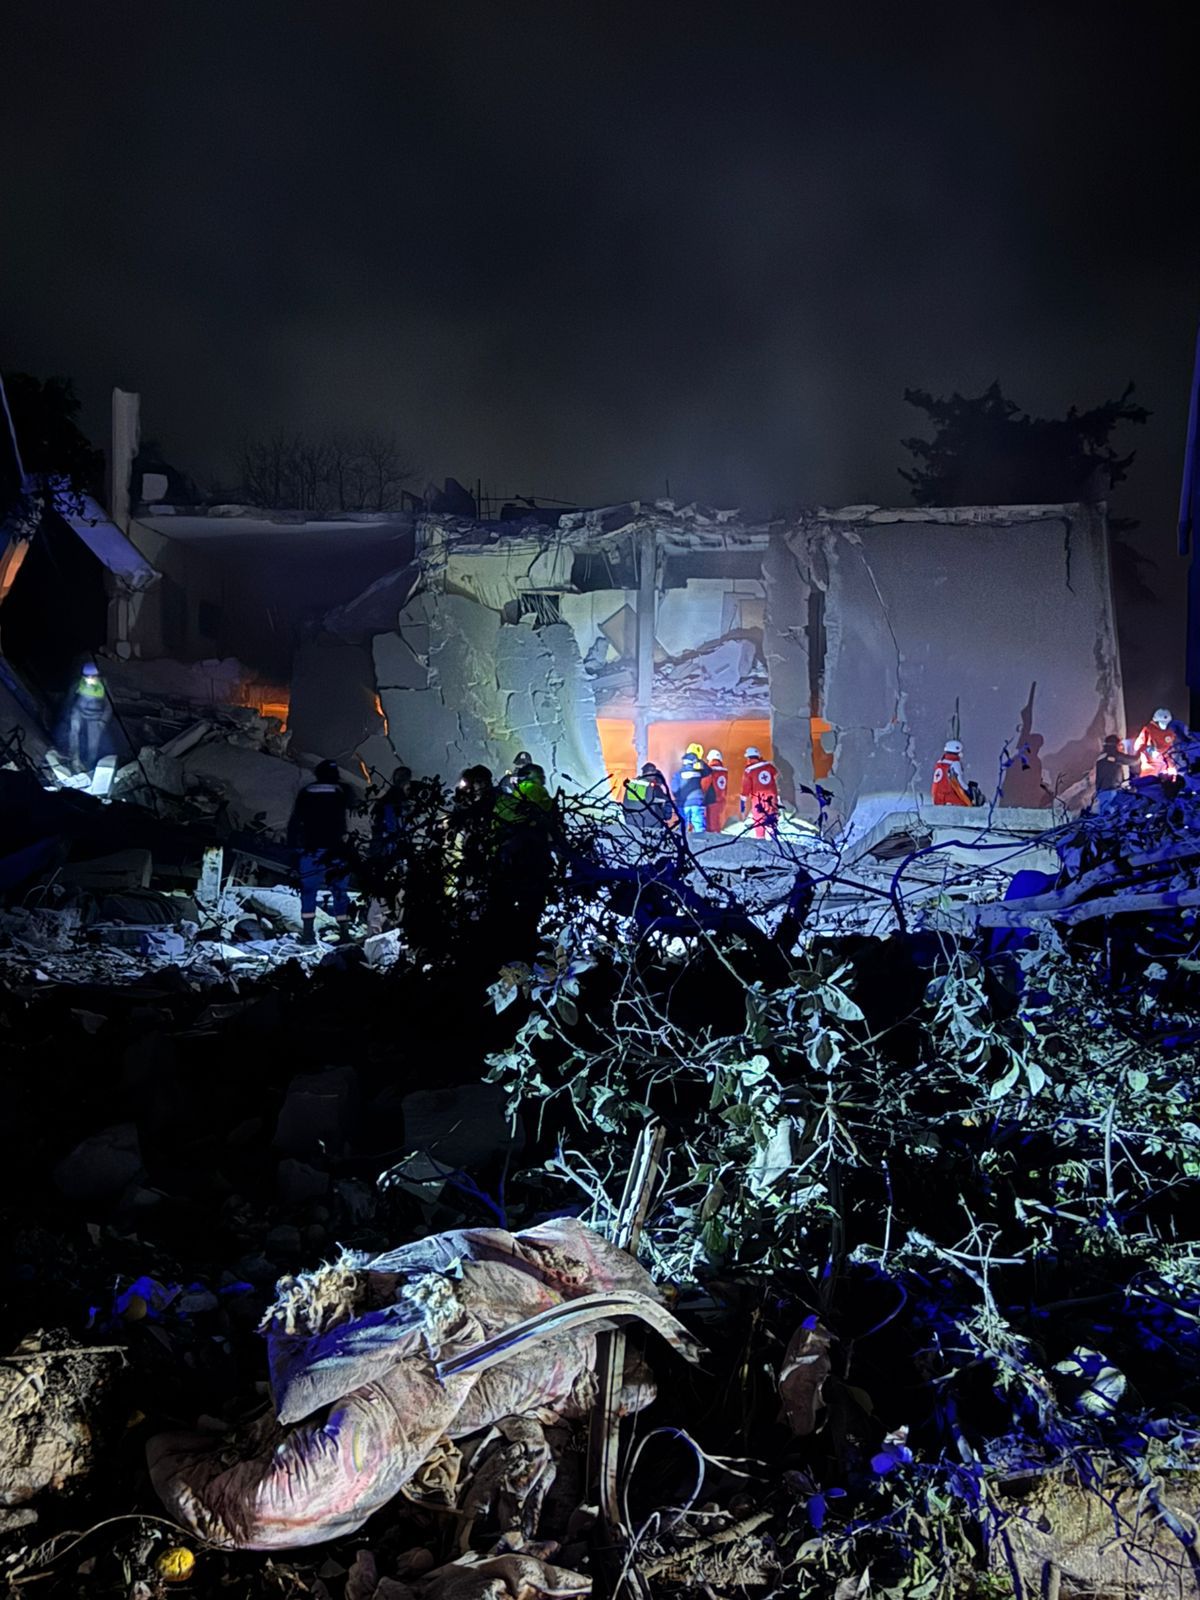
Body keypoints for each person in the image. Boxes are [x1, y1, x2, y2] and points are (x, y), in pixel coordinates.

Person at [287, 759, 353, 946]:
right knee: (340, 891)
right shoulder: (343, 792)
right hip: (336, 849)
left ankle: (308, 934)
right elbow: (352, 819)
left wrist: (292, 850)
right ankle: (345, 933)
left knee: (308, 890)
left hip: (310, 850)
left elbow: (294, 823)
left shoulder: (306, 792)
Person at [66, 660, 114, 773]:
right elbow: (70, 699)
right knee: (74, 733)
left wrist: (103, 721)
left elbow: (110, 705)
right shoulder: (79, 684)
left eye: (93, 676)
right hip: (79, 712)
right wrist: (70, 713)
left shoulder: (103, 686)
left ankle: (90, 766)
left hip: (95, 717)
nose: (90, 679)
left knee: (93, 743)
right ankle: (75, 761)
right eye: (87, 676)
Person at [740, 746, 780, 838]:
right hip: (772, 796)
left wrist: (743, 800)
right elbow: (775, 774)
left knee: (759, 819)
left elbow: (746, 787)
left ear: (748, 758)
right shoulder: (768, 766)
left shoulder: (749, 770)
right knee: (772, 816)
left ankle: (761, 839)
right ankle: (774, 839)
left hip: (758, 798)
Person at [674, 744, 713, 833]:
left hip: (684, 803)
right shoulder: (698, 773)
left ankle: (681, 839)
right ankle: (700, 840)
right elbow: (708, 771)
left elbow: (674, 789)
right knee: (699, 826)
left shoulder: (679, 774)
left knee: (682, 826)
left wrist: (679, 799)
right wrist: (699, 760)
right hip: (697, 802)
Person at [622, 762, 674, 829]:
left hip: (630, 820)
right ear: (653, 772)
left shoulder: (632, 784)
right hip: (649, 822)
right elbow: (667, 802)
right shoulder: (653, 787)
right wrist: (667, 817)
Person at [1094, 734, 1136, 812]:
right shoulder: (1114, 755)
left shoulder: (1103, 756)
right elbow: (1133, 761)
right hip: (1111, 791)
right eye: (1120, 745)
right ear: (1115, 745)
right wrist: (1140, 751)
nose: (1121, 747)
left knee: (1105, 814)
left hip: (1102, 791)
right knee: (1112, 814)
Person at [1132, 709, 1178, 778]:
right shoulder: (1148, 730)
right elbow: (1138, 746)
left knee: (1171, 777)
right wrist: (1149, 750)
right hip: (1150, 764)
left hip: (1164, 764)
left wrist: (1171, 764)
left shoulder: (1171, 732)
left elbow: (1171, 749)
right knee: (1148, 780)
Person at [931, 740, 972, 806]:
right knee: (967, 803)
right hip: (949, 796)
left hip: (937, 797)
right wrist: (968, 790)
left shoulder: (939, 762)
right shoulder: (955, 763)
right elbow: (960, 782)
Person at [705, 748, 730, 831]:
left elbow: (705, 785)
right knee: (717, 822)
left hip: (711, 801)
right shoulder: (724, 772)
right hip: (721, 800)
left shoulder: (710, 771)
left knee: (712, 825)